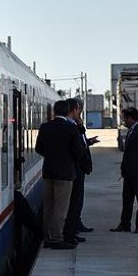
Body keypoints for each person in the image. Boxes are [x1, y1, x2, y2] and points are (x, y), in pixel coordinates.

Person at [35, 100, 83, 249]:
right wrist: (68, 160)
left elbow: (38, 148)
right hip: (65, 174)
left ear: (54, 111)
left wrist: (51, 156)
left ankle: (47, 237)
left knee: (49, 206)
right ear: (68, 111)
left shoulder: (45, 127)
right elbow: (78, 152)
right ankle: (56, 238)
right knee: (60, 208)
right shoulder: (71, 128)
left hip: (48, 171)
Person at [111, 108, 138, 234]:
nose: (124, 121)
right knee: (127, 200)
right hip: (129, 172)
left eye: (125, 118)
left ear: (130, 118)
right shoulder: (132, 130)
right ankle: (125, 224)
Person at [63, 98, 98, 241]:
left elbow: (81, 142)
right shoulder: (70, 126)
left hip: (80, 168)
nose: (80, 113)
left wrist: (88, 140)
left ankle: (76, 222)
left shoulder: (77, 125)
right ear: (73, 110)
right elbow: (76, 147)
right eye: (79, 110)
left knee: (78, 199)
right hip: (75, 168)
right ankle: (72, 228)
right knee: (75, 200)